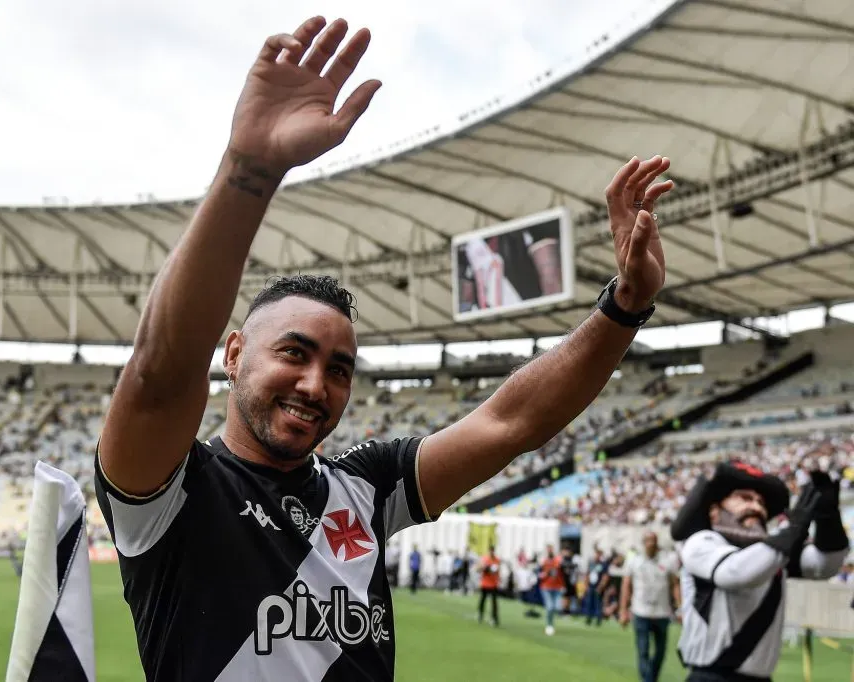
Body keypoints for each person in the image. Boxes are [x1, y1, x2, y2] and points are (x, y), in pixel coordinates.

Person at [94, 15, 676, 681]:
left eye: (339, 369)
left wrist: (625, 307)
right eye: (293, 352)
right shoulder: (170, 489)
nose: (316, 385)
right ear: (232, 355)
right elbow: (160, 369)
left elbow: (512, 422)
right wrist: (250, 169)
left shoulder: (366, 487)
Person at [671, 462, 848, 681]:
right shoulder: (701, 542)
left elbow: (825, 565)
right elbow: (735, 573)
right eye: (745, 498)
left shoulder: (772, 553)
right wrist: (793, 527)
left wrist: (828, 518)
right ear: (714, 511)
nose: (756, 507)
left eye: (761, 502)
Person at [620, 532, 679, 682]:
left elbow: (675, 585)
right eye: (648, 541)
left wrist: (680, 607)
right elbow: (626, 586)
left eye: (653, 541)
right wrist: (623, 610)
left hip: (662, 612)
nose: (651, 544)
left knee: (660, 652)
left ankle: (651, 677)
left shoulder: (667, 560)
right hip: (641, 611)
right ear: (643, 543)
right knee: (643, 650)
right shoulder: (634, 561)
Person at [538, 544, 565, 636]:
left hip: (557, 587)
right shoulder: (544, 562)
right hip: (546, 587)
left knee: (557, 607)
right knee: (550, 607)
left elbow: (560, 567)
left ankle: (551, 622)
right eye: (548, 550)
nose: (550, 552)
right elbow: (540, 574)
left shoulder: (557, 560)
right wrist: (546, 573)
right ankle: (549, 625)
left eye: (551, 550)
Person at [583, 547, 610, 626]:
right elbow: (587, 574)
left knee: (598, 604)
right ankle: (589, 618)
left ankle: (598, 620)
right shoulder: (591, 563)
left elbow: (605, 577)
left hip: (598, 586)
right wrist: (586, 585)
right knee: (589, 603)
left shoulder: (603, 565)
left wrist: (601, 586)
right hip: (591, 586)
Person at [477, 545, 501, 626]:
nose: (492, 552)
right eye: (491, 551)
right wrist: (484, 568)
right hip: (485, 583)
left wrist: (493, 572)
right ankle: (480, 614)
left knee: (494, 602)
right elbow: (478, 569)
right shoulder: (485, 559)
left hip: (493, 584)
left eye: (493, 551)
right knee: (483, 600)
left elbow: (497, 571)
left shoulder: (497, 560)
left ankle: (494, 618)